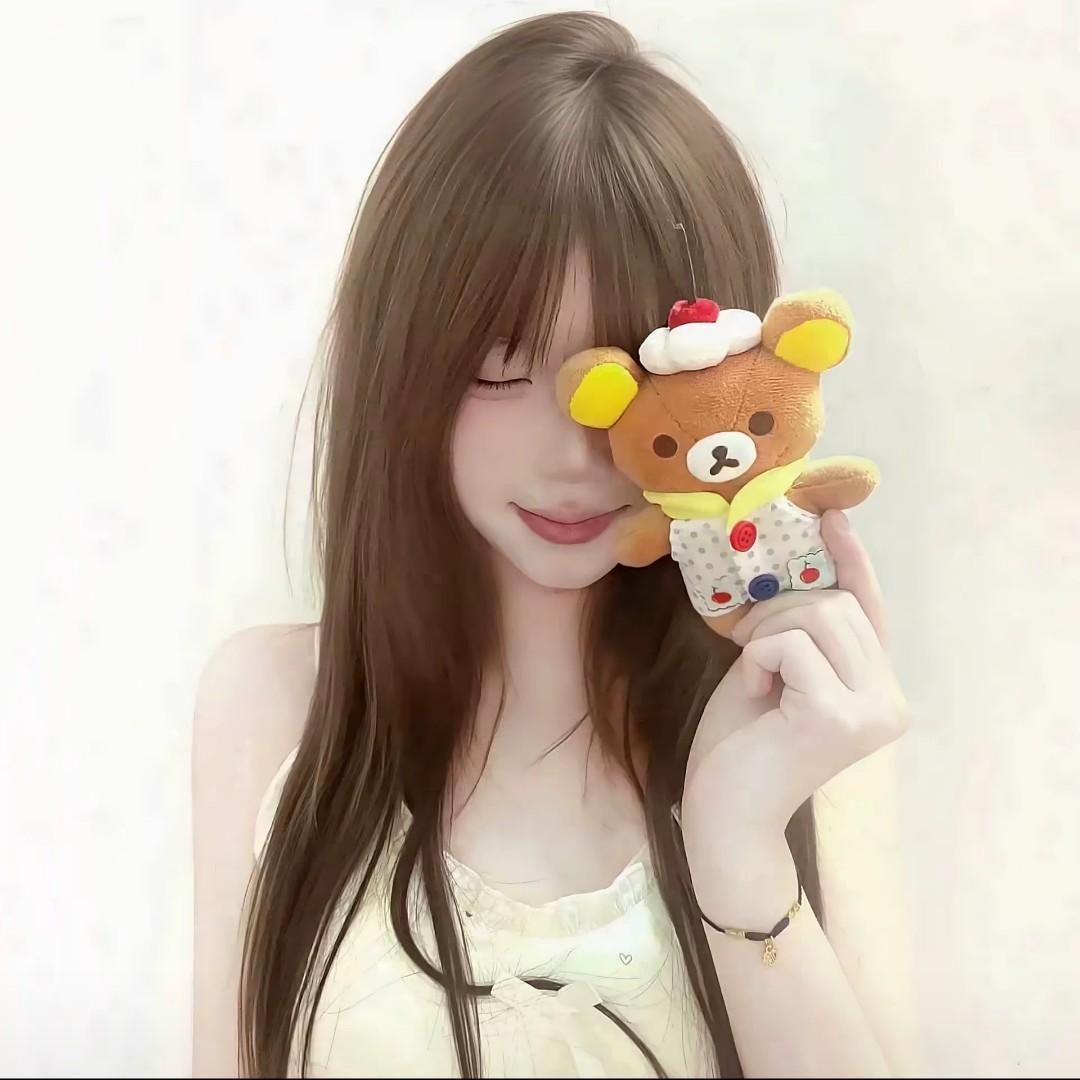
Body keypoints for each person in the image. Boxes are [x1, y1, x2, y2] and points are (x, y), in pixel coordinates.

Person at [192, 11, 918, 1078]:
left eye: (620, 381)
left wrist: (739, 858)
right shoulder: (269, 708)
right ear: (405, 360)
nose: (574, 455)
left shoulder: (806, 733)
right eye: (499, 365)